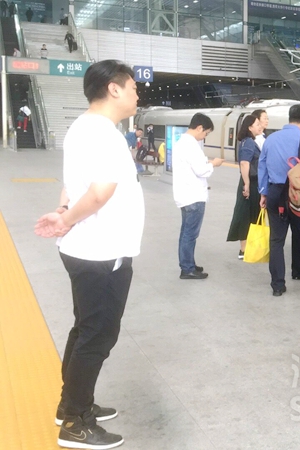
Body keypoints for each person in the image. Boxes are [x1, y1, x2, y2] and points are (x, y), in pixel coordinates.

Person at [34, 59, 143, 450]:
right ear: (114, 89)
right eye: (133, 87)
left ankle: (71, 405)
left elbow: (73, 186)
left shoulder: (82, 127)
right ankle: (75, 424)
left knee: (84, 330)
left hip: (87, 248)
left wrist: (64, 211)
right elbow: (98, 193)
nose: (137, 94)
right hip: (101, 252)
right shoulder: (105, 134)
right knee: (97, 336)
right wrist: (66, 220)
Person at [258, 103, 300, 296]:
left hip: (276, 193)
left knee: (276, 241)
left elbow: (262, 167)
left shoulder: (271, 139)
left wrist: (263, 193)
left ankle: (278, 285)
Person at [172, 113, 223, 279]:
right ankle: (187, 268)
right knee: (190, 234)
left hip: (186, 195)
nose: (205, 136)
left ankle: (188, 263)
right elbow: (202, 170)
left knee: (185, 232)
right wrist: (213, 164)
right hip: (193, 196)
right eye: (206, 133)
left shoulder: (182, 142)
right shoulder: (191, 145)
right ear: (200, 128)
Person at [226, 115, 262, 258]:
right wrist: (246, 183)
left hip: (250, 182)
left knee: (247, 213)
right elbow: (244, 163)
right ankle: (244, 249)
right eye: (257, 124)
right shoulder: (249, 143)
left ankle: (247, 248)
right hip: (251, 182)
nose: (260, 126)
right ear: (250, 127)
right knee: (247, 214)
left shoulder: (247, 141)